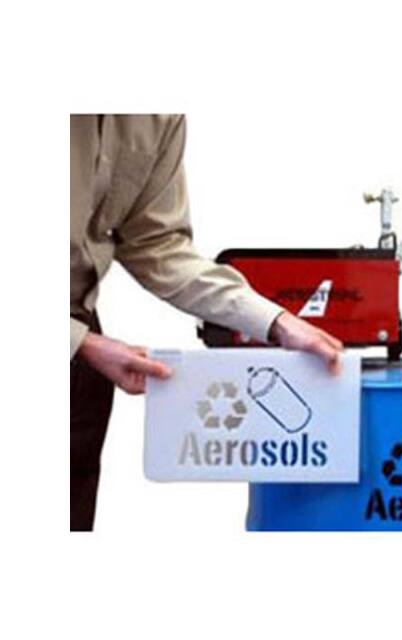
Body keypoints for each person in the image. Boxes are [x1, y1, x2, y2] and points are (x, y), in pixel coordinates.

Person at [70, 114, 343, 531]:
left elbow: (156, 244)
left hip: (80, 347)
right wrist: (81, 342)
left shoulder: (157, 117)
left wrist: (275, 321)